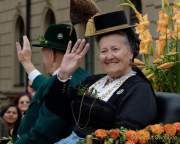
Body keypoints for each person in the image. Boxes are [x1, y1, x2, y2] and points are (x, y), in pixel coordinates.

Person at [44, 11, 158, 144]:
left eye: (115, 49)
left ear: (131, 53)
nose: (109, 56)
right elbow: (56, 107)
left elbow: (123, 136)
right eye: (104, 51)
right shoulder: (92, 81)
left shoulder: (139, 89)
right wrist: (63, 74)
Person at [14, 24, 89, 144]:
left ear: (51, 54)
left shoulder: (63, 83)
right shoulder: (81, 77)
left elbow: (43, 133)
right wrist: (27, 63)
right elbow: (47, 86)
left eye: (43, 52)